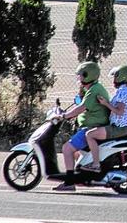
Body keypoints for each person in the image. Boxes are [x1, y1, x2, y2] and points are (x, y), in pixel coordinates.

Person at [53, 61, 110, 192]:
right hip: (92, 126)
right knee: (76, 152)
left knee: (67, 148)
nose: (79, 78)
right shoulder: (94, 88)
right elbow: (81, 104)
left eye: (81, 75)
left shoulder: (94, 91)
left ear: (88, 75)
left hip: (91, 128)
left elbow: (81, 108)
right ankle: (82, 177)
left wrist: (64, 116)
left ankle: (69, 183)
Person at [84, 64, 127, 173]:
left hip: (118, 128)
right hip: (120, 127)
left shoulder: (124, 92)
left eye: (115, 77)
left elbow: (120, 111)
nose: (113, 80)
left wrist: (105, 103)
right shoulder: (124, 90)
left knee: (90, 135)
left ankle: (96, 164)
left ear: (122, 77)